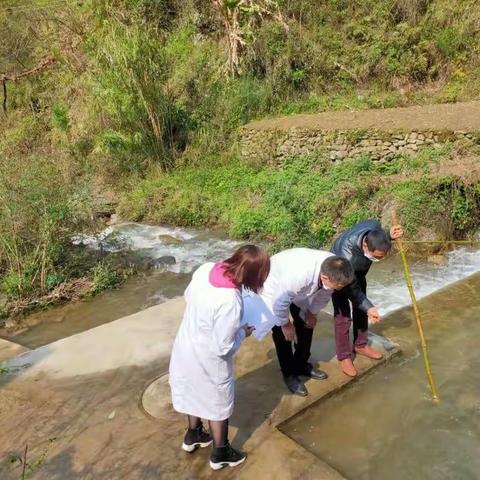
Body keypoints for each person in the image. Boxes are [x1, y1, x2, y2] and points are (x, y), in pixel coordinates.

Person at [169, 244, 270, 470]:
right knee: (217, 403)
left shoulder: (205, 269)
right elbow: (222, 347)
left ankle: (193, 434)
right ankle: (221, 452)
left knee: (192, 390)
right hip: (208, 358)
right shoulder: (230, 301)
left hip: (186, 344)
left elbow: (187, 296)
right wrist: (242, 333)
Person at [242, 248, 354, 396]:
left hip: (300, 288)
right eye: (339, 286)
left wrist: (312, 313)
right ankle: (289, 374)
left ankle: (301, 364)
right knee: (283, 333)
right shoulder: (299, 276)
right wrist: (285, 323)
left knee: (307, 324)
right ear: (325, 277)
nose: (341, 289)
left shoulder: (335, 267)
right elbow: (279, 303)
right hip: (275, 288)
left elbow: (325, 294)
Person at [331, 219, 403, 377]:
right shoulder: (347, 256)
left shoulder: (373, 229)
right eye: (376, 257)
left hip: (358, 272)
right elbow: (352, 288)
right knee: (343, 316)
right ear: (365, 246)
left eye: (382, 257)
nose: (379, 260)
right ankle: (344, 356)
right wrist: (368, 306)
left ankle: (360, 345)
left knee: (361, 310)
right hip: (339, 274)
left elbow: (379, 232)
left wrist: (389, 235)